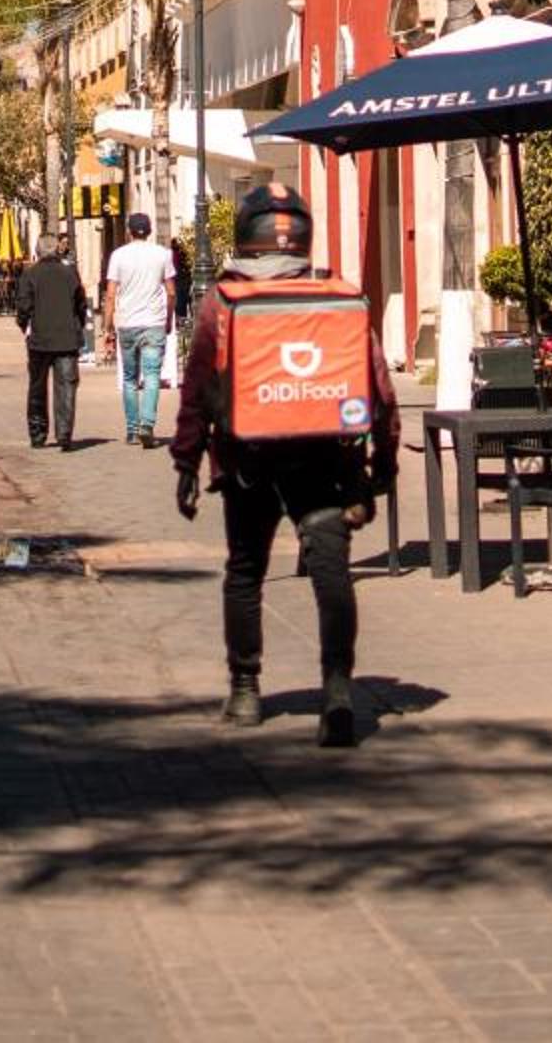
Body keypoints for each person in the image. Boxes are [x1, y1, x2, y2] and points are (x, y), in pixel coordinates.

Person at [171, 179, 399, 750]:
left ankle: (245, 690)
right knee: (331, 574)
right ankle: (338, 689)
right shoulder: (337, 295)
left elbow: (197, 389)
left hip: (247, 461)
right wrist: (385, 461)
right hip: (326, 459)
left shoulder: (224, 301)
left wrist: (187, 461)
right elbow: (379, 387)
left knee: (246, 572)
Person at [103, 211, 175, 448]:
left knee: (130, 378)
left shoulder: (118, 256)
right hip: (154, 323)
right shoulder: (163, 254)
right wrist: (168, 318)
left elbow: (111, 294)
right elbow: (171, 292)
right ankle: (147, 424)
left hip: (128, 324)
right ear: (150, 231)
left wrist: (107, 328)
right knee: (152, 375)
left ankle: (133, 430)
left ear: (128, 231)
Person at [15, 230, 88, 451]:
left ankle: (38, 433)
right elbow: (81, 303)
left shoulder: (30, 274)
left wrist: (24, 325)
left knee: (37, 387)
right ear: (57, 249)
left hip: (39, 339)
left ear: (37, 251)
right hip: (67, 339)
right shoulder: (70, 273)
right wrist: (78, 324)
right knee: (66, 386)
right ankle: (64, 433)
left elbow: (23, 306)